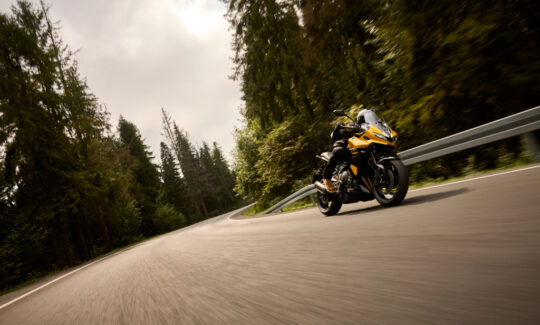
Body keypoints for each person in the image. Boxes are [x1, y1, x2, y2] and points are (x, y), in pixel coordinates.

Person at [323, 122, 359, 192]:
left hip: (357, 148)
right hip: (343, 148)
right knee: (338, 150)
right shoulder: (346, 129)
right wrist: (338, 127)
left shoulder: (365, 128)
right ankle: (327, 179)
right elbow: (334, 136)